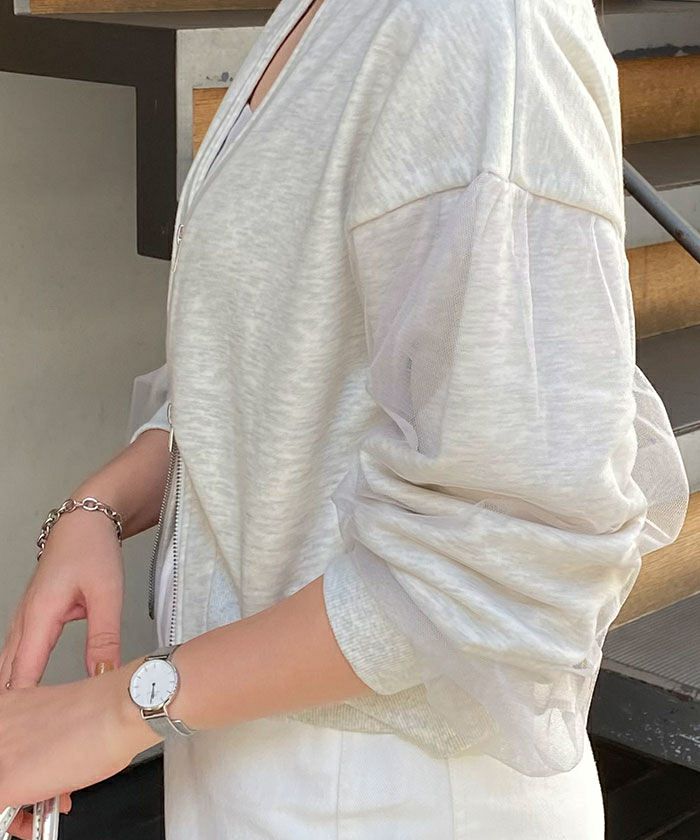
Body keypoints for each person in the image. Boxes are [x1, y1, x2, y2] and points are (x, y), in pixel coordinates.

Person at [0, 0, 690, 837]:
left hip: (388, 790)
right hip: (246, 740)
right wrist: (99, 505)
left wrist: (118, 709)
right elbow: (282, 363)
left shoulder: (477, 28)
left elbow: (517, 538)